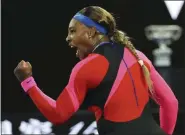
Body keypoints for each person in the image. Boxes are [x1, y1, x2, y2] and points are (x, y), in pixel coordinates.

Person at [14, 6, 178, 135]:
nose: (68, 38)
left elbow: (59, 114)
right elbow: (170, 103)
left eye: (73, 31)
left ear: (91, 32)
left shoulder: (86, 67)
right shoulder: (138, 56)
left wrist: (27, 81)